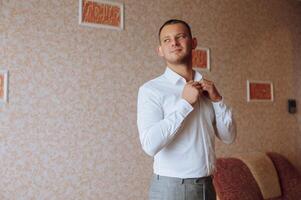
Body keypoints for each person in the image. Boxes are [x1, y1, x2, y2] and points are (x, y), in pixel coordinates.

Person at [137, 19, 236, 200]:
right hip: (172, 189)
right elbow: (149, 145)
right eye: (166, 40)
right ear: (160, 50)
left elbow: (229, 137)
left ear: (193, 43)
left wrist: (217, 100)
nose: (173, 43)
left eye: (180, 36)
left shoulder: (207, 88)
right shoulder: (150, 90)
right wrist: (185, 104)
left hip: (207, 186)